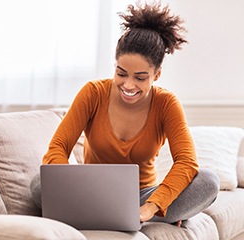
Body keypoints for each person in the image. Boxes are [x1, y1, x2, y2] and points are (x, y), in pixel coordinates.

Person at [32, 2, 219, 227]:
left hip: (142, 199)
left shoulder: (166, 103)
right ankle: (123, 215)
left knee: (209, 182)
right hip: (91, 193)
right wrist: (72, 188)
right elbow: (57, 148)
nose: (128, 85)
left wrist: (152, 205)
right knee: (39, 184)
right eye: (121, 73)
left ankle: (135, 215)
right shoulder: (93, 92)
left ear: (156, 74)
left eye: (140, 78)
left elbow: (187, 163)